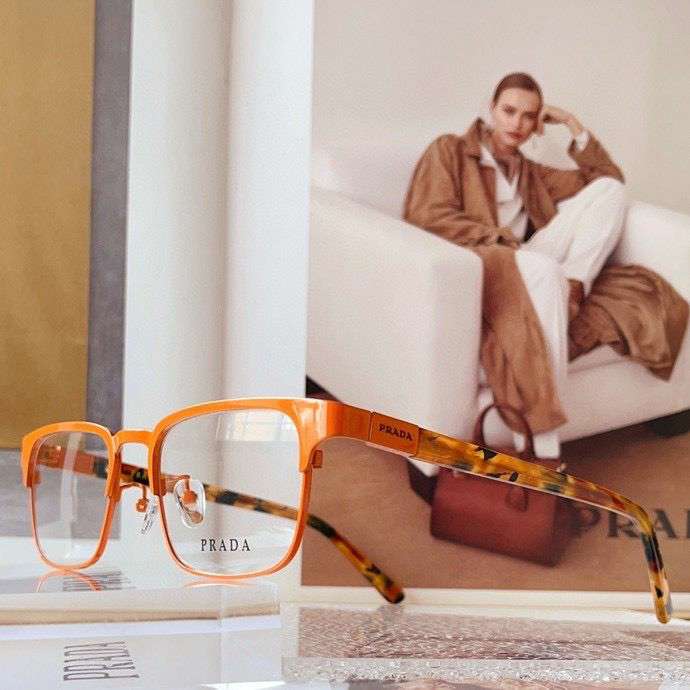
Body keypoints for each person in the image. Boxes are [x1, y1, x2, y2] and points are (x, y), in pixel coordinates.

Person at [404, 72, 627, 459]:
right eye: (508, 111)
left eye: (529, 116)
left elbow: (608, 179)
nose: (517, 124)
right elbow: (428, 215)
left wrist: (571, 123)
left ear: (538, 121)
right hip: (481, 262)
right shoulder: (449, 150)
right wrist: (502, 239)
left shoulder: (532, 171)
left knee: (610, 191)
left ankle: (574, 284)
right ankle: (544, 445)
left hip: (527, 258)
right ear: (491, 109)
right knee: (544, 271)